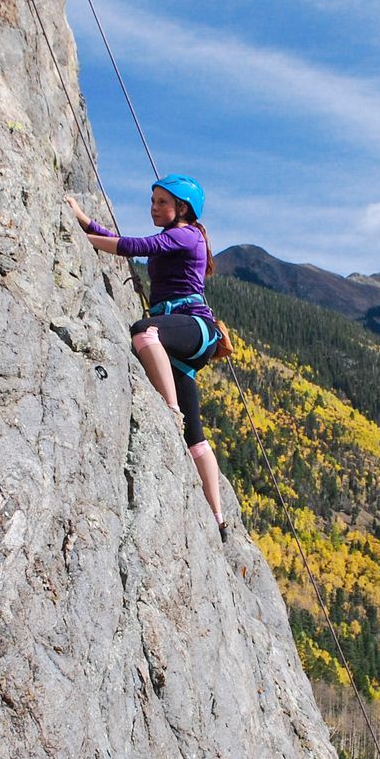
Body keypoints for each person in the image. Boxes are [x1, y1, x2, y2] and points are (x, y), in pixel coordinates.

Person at [66, 175, 226, 535]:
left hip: (193, 326)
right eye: (152, 201)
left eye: (162, 203)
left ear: (181, 208)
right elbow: (128, 243)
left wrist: (81, 234)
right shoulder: (178, 236)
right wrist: (84, 220)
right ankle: (219, 517)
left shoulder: (187, 234)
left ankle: (170, 412)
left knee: (143, 331)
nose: (153, 208)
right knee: (196, 438)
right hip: (184, 341)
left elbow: (133, 246)